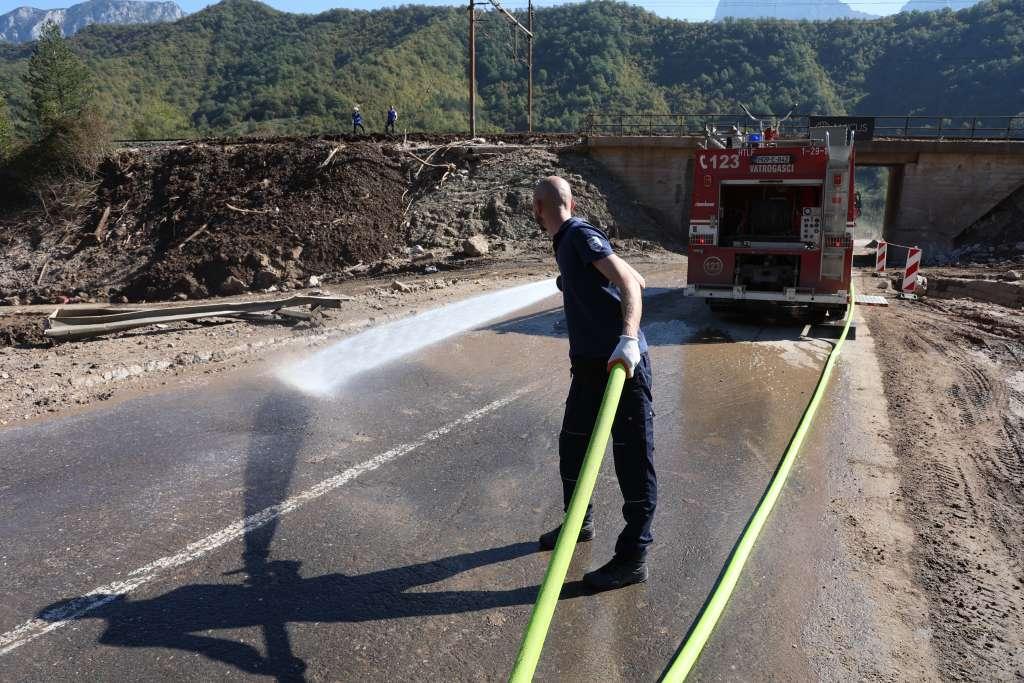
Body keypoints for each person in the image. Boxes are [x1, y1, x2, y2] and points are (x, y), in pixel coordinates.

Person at [532, 175, 657, 591]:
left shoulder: (579, 236)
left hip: (621, 366)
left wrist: (627, 340)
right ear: (571, 199)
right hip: (587, 368)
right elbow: (637, 278)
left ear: (537, 209)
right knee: (573, 446)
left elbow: (628, 285)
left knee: (632, 460)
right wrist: (574, 282)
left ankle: (631, 558)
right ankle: (578, 524)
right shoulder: (569, 243)